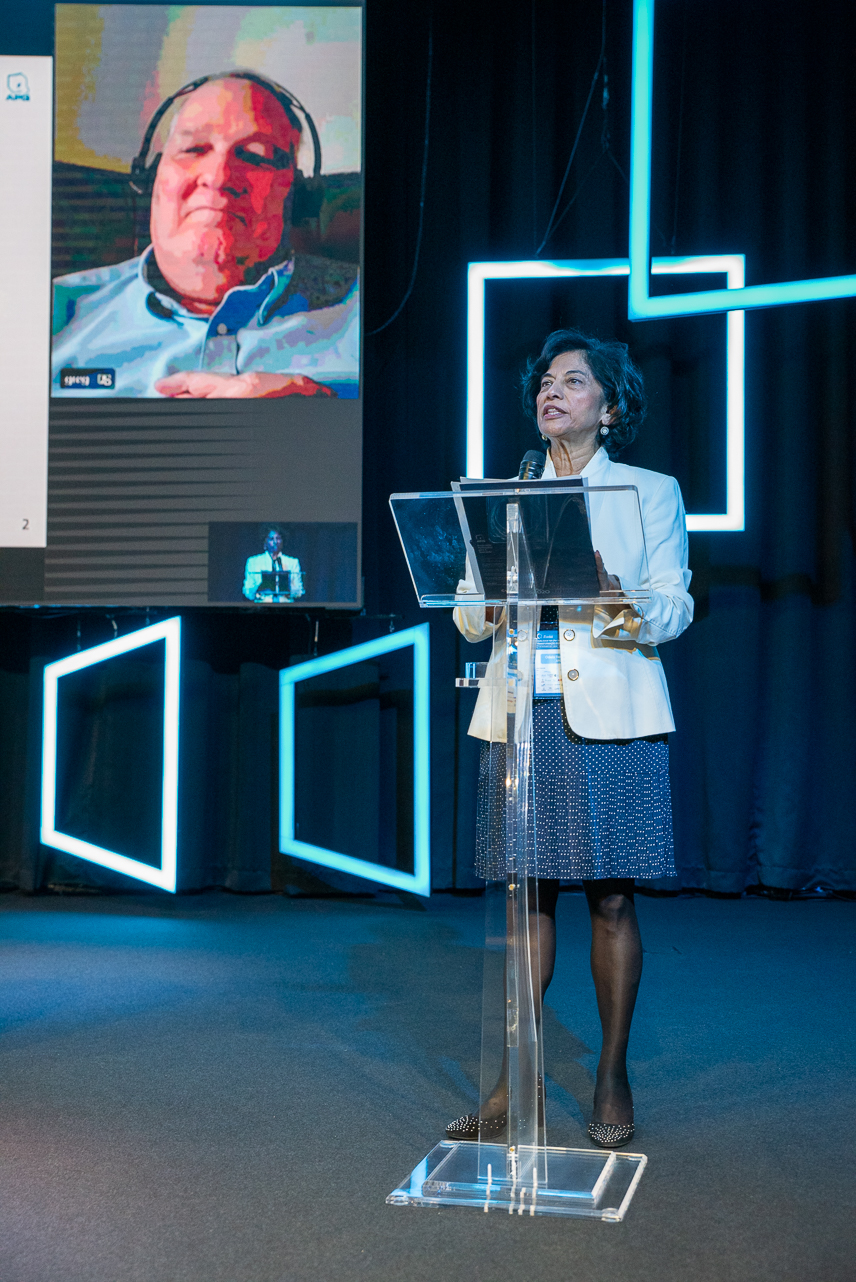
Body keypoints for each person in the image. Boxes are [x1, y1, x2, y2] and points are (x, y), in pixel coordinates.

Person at [448, 329, 693, 1149]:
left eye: (573, 382)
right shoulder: (507, 492)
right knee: (529, 900)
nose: (551, 393)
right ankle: (513, 1079)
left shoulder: (648, 491)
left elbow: (675, 605)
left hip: (613, 712)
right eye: (545, 382)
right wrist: (487, 593)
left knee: (612, 897)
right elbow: (469, 614)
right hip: (525, 711)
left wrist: (623, 598)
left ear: (610, 408)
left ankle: (612, 1074)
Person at [52, 74, 358, 399]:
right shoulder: (51, 314)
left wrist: (319, 410)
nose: (217, 176)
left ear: (299, 195)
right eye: (193, 149)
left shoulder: (371, 309)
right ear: (152, 179)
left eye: (256, 155)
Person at [243, 526, 304, 601]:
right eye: (271, 539)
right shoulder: (254, 562)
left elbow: (299, 591)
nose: (275, 542)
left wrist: (288, 588)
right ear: (265, 541)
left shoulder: (292, 562)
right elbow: (247, 592)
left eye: (278, 538)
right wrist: (260, 587)